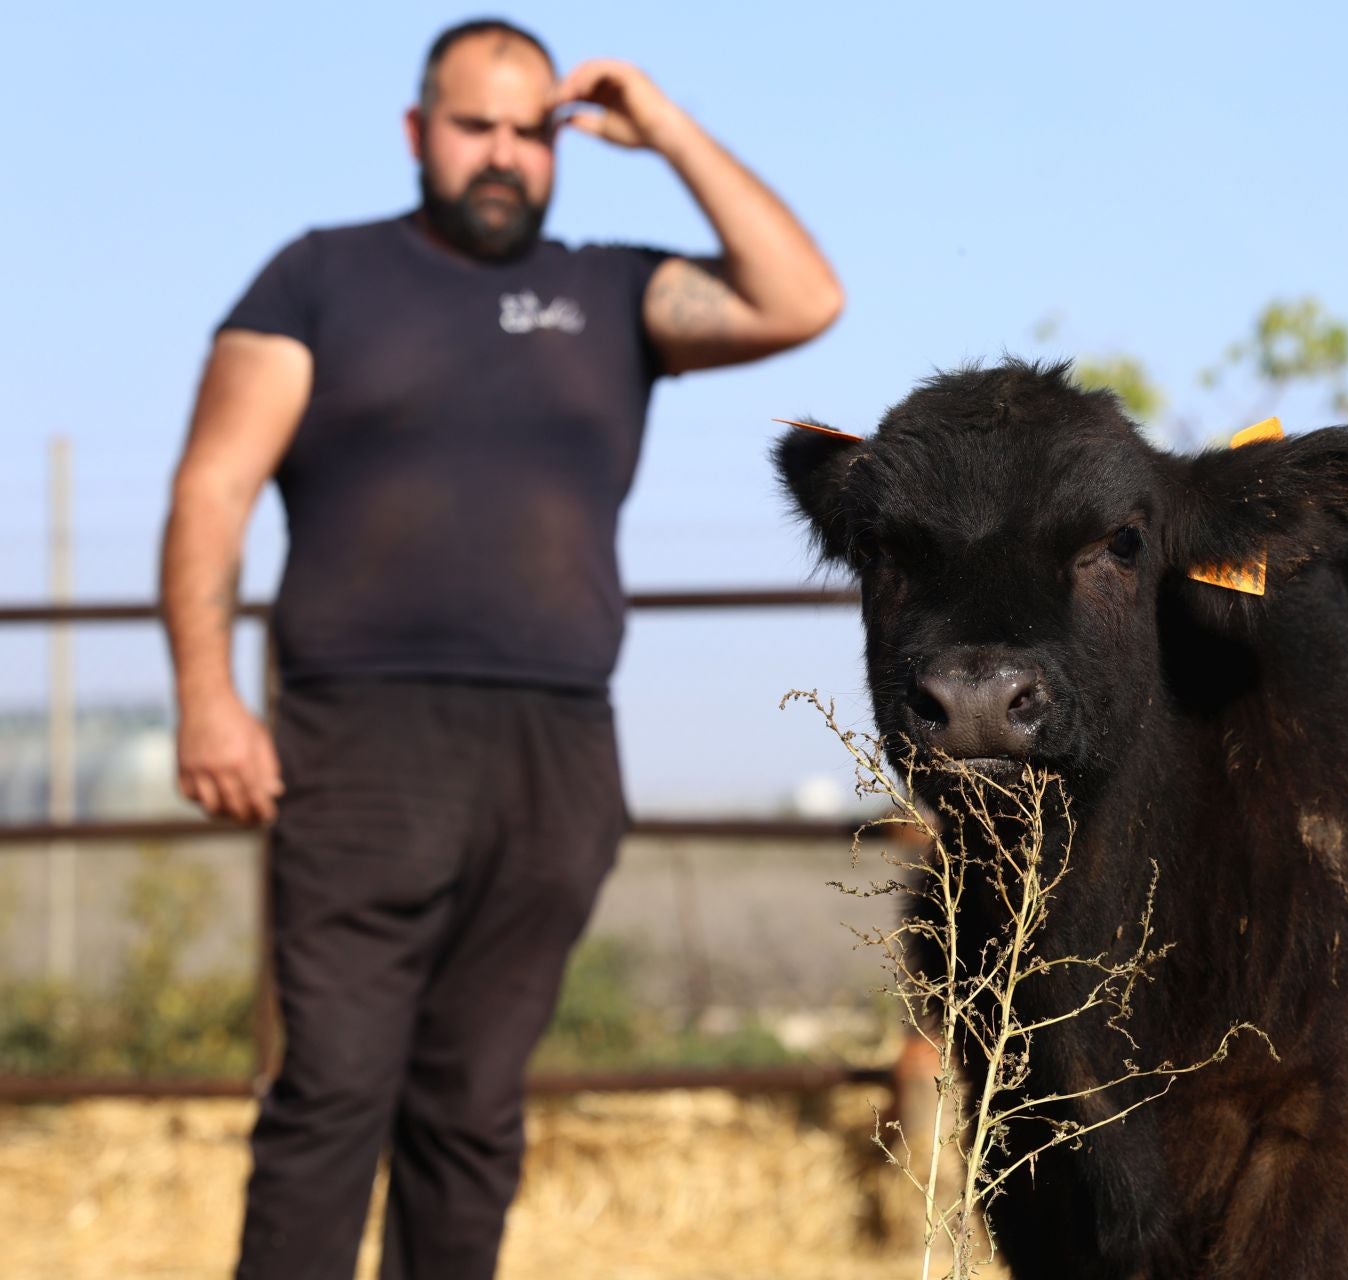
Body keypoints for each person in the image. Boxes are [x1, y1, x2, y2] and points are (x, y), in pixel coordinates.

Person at [158, 18, 841, 1279]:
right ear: (418, 133)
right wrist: (207, 695)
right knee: (333, 1097)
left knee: (472, 1111)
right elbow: (211, 489)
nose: (505, 156)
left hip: (557, 749)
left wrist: (670, 128)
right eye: (477, 125)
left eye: (536, 131)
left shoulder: (611, 291)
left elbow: (804, 297)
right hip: (361, 742)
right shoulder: (317, 278)